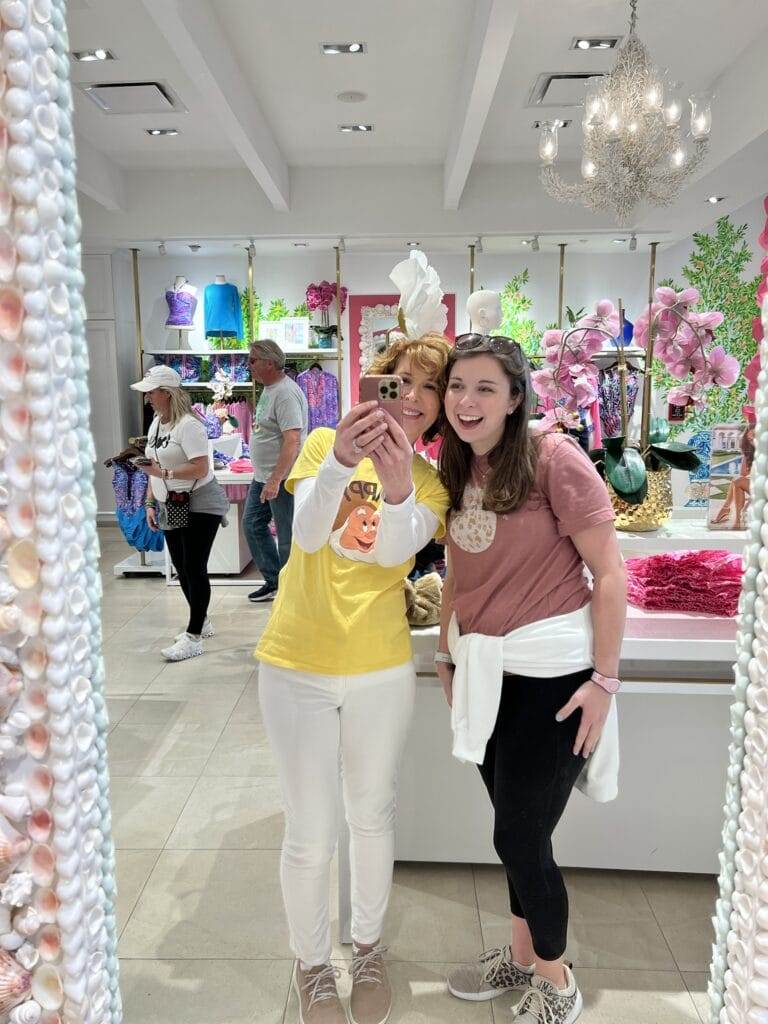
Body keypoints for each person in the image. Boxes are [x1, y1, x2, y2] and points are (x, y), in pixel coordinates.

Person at [255, 335, 452, 1024]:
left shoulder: (431, 485)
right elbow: (307, 536)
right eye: (402, 381)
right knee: (309, 831)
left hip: (379, 670)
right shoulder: (319, 446)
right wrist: (340, 459)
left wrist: (398, 491)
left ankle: (366, 949)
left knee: (371, 816)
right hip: (295, 665)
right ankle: (312, 965)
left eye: (431, 388)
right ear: (375, 383)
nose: (414, 399)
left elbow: (394, 549)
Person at [436, 335, 626, 1024]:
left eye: (486, 387)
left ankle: (557, 978)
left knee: (518, 838)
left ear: (516, 397)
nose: (467, 401)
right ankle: (522, 955)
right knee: (518, 831)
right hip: (487, 674)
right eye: (458, 386)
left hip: (552, 678)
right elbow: (459, 567)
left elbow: (609, 573)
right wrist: (445, 651)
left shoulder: (554, 457)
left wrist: (605, 681)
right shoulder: (460, 463)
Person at [132, 365, 230, 661]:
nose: (147, 396)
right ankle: (201, 619)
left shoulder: (190, 426)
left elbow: (201, 467)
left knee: (194, 566)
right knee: (181, 566)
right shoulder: (157, 424)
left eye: (151, 391)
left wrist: (165, 472)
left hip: (199, 501)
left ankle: (194, 635)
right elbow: (153, 467)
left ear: (167, 393)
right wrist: (151, 502)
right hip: (170, 503)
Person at [244, 339, 309, 603]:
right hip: (264, 477)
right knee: (252, 525)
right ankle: (275, 581)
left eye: (253, 360)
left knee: (286, 534)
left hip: (280, 479)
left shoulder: (285, 393)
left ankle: (292, 591)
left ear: (269, 362)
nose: (249, 366)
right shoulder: (271, 389)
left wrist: (275, 479)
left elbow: (292, 440)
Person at [712, 425, 755, 529]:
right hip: (759, 485)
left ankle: (730, 513)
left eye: (755, 436)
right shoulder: (753, 450)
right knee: (736, 481)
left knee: (737, 481)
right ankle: (734, 516)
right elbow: (743, 473)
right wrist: (746, 453)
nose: (752, 440)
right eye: (750, 439)